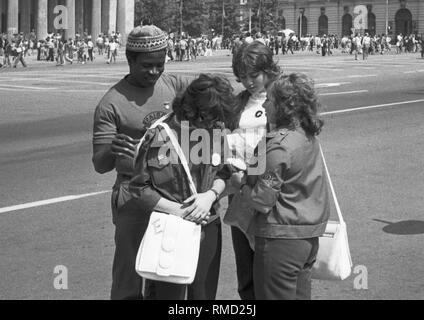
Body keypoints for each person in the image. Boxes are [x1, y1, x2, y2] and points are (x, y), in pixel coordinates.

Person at [92, 24, 194, 300]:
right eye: (147, 66)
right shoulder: (111, 103)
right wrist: (112, 150)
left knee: (167, 273)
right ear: (130, 60)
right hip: (133, 196)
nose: (154, 72)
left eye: (159, 65)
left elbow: (209, 99)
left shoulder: (172, 85)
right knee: (129, 273)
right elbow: (100, 165)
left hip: (171, 195)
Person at [129, 74, 236, 300]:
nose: (214, 123)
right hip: (170, 227)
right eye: (209, 117)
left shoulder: (215, 131)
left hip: (208, 224)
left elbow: (224, 173)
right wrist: (180, 211)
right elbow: (140, 189)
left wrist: (210, 195)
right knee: (167, 296)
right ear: (192, 109)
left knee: (204, 296)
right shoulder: (160, 135)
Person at [245, 73, 330, 300]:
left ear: (284, 106)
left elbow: (261, 201)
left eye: (270, 100)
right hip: (307, 235)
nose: (264, 104)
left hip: (280, 238)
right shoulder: (306, 136)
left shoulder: (279, 146)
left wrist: (240, 184)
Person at [223, 41, 280, 300]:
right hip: (241, 189)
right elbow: (221, 137)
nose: (248, 82)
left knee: (271, 269)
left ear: (268, 70)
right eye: (243, 77)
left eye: (253, 75)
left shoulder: (282, 98)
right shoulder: (238, 103)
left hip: (272, 191)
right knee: (245, 270)